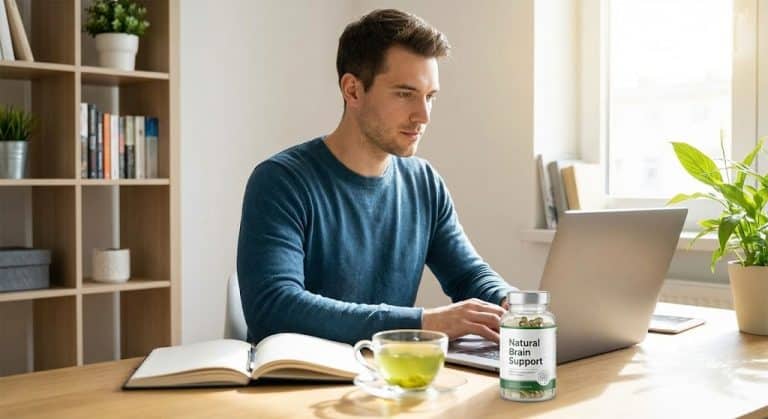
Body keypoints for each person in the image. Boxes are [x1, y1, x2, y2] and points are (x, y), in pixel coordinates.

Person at [237, 9, 515, 345]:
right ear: (352, 90)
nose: (423, 115)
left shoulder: (424, 183)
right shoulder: (281, 181)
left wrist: (512, 304)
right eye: (404, 93)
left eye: (430, 97)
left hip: (384, 380)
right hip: (291, 387)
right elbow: (274, 309)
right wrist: (423, 323)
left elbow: (469, 275)